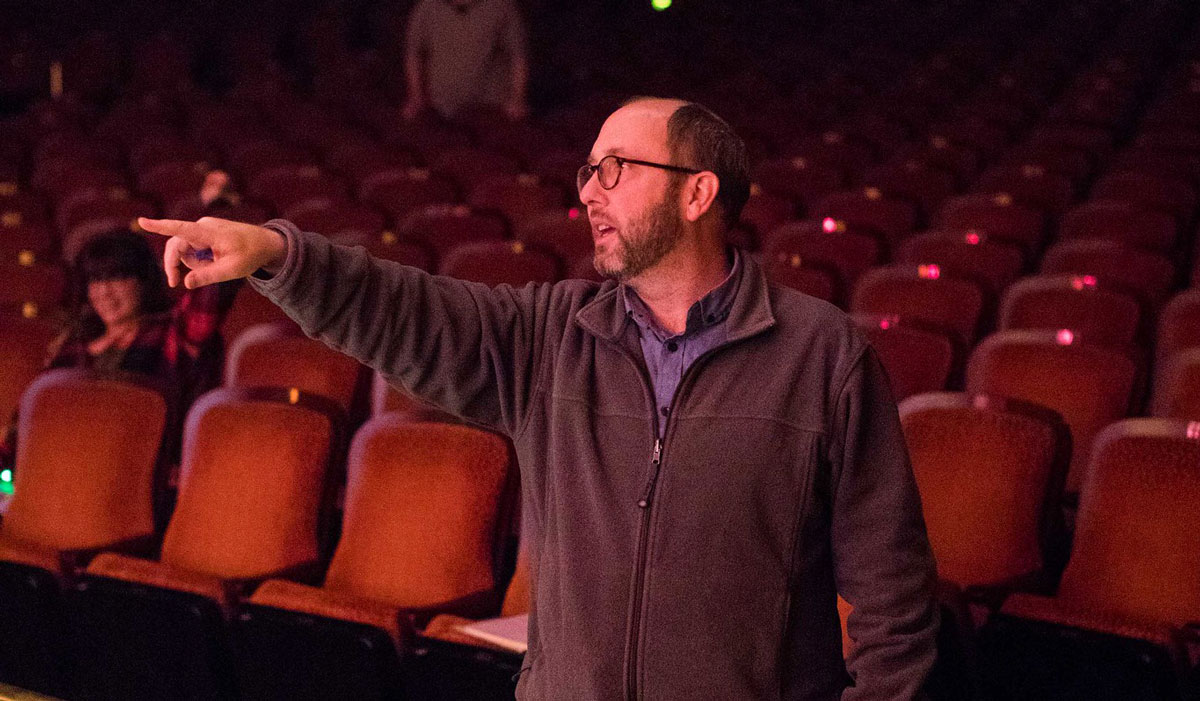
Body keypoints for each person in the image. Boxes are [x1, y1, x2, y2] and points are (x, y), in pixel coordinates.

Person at [140, 97, 939, 700]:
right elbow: (407, 312)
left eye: (616, 168)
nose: (590, 190)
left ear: (698, 194)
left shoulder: (822, 355)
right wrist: (279, 254)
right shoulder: (550, 337)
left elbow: (895, 607)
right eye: (588, 169)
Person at [0, 172, 241, 474]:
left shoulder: (171, 334)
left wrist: (216, 213)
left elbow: (212, 288)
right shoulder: (74, 343)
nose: (105, 292)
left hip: (135, 480)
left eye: (117, 278)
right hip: (58, 477)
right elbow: (28, 420)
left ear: (143, 282)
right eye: (96, 280)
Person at [401, 0, 529, 121]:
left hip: (489, 108)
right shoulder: (428, 7)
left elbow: (518, 55)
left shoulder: (501, 6)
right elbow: (413, 53)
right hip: (439, 109)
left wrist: (517, 98)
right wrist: (416, 97)